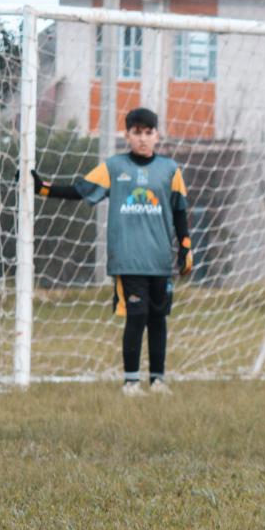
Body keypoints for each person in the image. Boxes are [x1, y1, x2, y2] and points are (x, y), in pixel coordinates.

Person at [32, 107, 193, 396]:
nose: (143, 139)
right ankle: (131, 382)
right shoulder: (114, 167)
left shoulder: (170, 170)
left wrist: (185, 247)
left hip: (159, 260)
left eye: (148, 133)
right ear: (127, 135)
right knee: (137, 316)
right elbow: (80, 190)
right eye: (137, 133)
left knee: (158, 319)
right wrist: (44, 189)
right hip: (128, 260)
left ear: (157, 136)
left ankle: (158, 381)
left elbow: (180, 211)